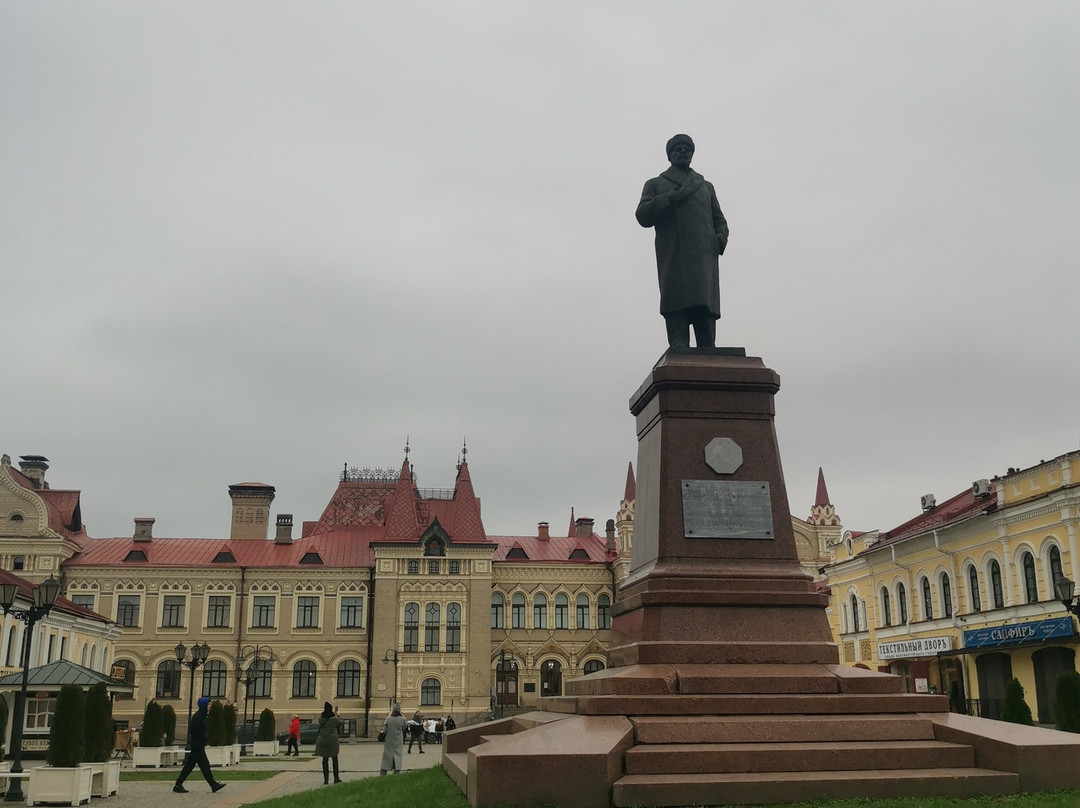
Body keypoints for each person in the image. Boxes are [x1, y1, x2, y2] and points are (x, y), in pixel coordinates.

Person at [635, 134, 729, 349]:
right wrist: (669, 198)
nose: (683, 152)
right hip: (673, 251)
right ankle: (678, 340)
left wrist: (719, 240)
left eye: (687, 148)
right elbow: (642, 215)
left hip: (704, 253)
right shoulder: (656, 184)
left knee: (704, 299)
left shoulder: (706, 187)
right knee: (676, 295)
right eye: (678, 148)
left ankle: (707, 343)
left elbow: (719, 219)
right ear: (670, 155)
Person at [173, 697, 226, 794]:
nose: (210, 706)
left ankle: (178, 784)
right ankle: (213, 785)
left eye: (210, 704)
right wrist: (203, 737)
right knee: (204, 765)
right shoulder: (198, 716)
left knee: (189, 765)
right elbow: (193, 730)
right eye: (208, 704)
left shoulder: (203, 716)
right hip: (197, 744)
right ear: (203, 705)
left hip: (198, 744)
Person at [314, 702, 343, 785]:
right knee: (334, 759)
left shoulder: (321, 719)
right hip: (332, 741)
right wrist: (337, 714)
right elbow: (341, 722)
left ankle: (326, 780)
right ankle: (336, 778)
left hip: (323, 740)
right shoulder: (334, 719)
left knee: (325, 760)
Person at [380, 703, 407, 776]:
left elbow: (384, 730)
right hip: (398, 739)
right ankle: (396, 771)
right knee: (398, 754)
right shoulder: (403, 719)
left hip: (389, 739)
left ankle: (383, 771)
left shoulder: (388, 719)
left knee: (387, 755)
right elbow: (405, 727)